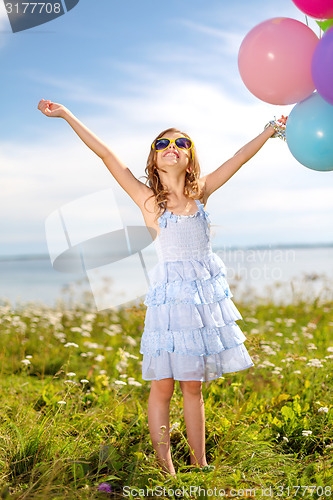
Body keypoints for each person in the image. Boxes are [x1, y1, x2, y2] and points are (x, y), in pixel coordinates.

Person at [37, 99, 287, 477]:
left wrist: (271, 130)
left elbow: (239, 156)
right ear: (153, 160)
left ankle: (200, 464)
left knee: (193, 388)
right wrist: (68, 115)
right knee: (162, 387)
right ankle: (165, 467)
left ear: (190, 158)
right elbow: (107, 155)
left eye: (182, 143)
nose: (172, 148)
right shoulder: (150, 201)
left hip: (201, 304)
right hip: (169, 306)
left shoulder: (201, 192)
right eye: (163, 144)